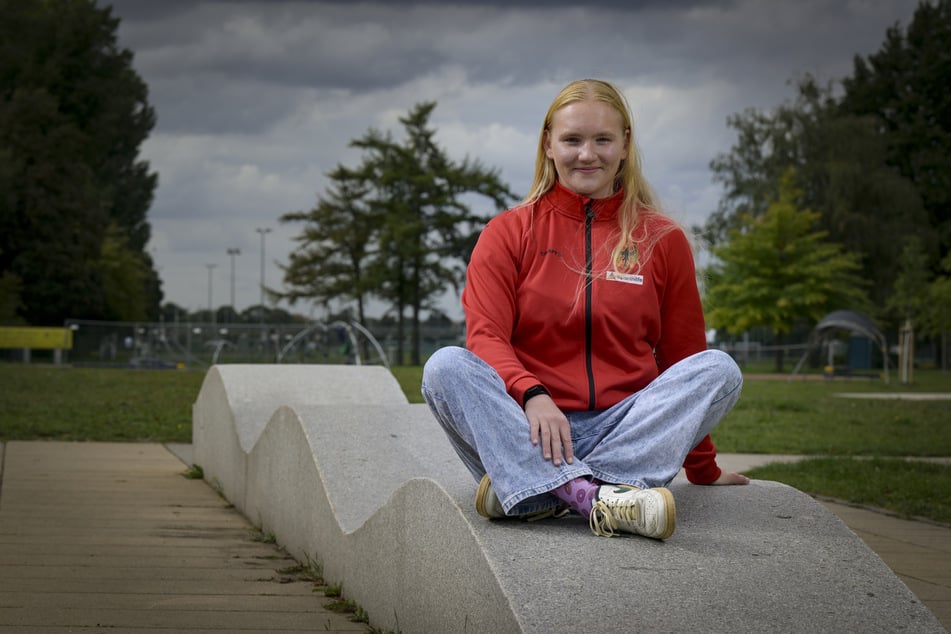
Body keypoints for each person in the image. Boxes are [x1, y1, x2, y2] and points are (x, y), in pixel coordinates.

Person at [421, 78, 748, 541]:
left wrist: (702, 467)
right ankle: (597, 496)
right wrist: (533, 395)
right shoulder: (508, 232)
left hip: (623, 429)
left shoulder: (662, 239)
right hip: (528, 427)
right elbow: (486, 338)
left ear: (625, 144)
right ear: (549, 145)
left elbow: (684, 358)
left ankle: (539, 492)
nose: (586, 154)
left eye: (602, 140)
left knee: (719, 369)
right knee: (444, 366)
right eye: (572, 140)